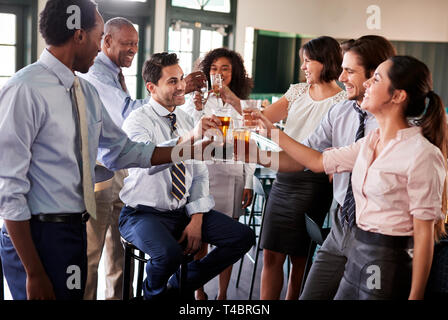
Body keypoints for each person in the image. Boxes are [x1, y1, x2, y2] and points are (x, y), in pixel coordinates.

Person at [0, 0, 201, 300]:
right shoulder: (24, 90)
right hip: (36, 237)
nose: (99, 46)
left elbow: (122, 151)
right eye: (98, 35)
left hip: (72, 231)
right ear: (79, 35)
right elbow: (8, 188)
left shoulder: (86, 93)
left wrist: (183, 148)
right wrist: (34, 272)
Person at [253, 55, 447, 299]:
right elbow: (317, 161)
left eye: (376, 79)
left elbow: (424, 234)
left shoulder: (421, 154)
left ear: (397, 96)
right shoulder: (369, 143)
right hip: (356, 251)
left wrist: (415, 296)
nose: (367, 84)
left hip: (386, 260)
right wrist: (269, 133)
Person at [242, 35, 396, 299]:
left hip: (377, 233)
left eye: (349, 71)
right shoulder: (341, 113)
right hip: (341, 223)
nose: (342, 77)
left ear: (375, 75)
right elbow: (303, 159)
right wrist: (253, 155)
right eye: (342, 69)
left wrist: (273, 135)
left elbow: (316, 162)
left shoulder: (388, 127)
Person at [78, 17, 206, 300]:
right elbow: (128, 113)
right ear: (106, 41)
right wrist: (181, 89)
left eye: (135, 43)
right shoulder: (96, 74)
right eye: (127, 43)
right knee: (91, 252)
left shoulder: (114, 73)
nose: (133, 49)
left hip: (122, 167)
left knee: (118, 252)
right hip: (100, 171)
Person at [118, 52, 256, 301]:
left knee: (243, 236)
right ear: (152, 87)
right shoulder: (137, 121)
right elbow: (148, 161)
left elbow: (199, 174)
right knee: (168, 254)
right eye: (172, 81)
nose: (182, 85)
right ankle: (154, 294)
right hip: (142, 213)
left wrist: (197, 216)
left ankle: (178, 286)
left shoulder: (184, 118)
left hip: (181, 211)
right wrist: (189, 138)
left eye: (181, 78)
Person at [221, 36, 346, 299]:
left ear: (326, 62)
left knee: (300, 260)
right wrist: (234, 102)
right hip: (283, 180)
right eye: (303, 61)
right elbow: (262, 118)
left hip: (314, 183)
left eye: (308, 61)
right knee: (270, 254)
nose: (304, 66)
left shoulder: (342, 103)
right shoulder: (297, 91)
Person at [181, 47, 255, 300]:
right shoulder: (198, 101)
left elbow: (249, 145)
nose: (219, 74)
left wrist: (249, 181)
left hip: (233, 173)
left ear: (234, 73)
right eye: (214, 69)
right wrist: (197, 108)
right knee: (200, 236)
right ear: (207, 72)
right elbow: (189, 137)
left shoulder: (242, 104)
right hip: (205, 172)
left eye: (225, 69)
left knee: (230, 239)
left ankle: (222, 294)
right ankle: (199, 291)